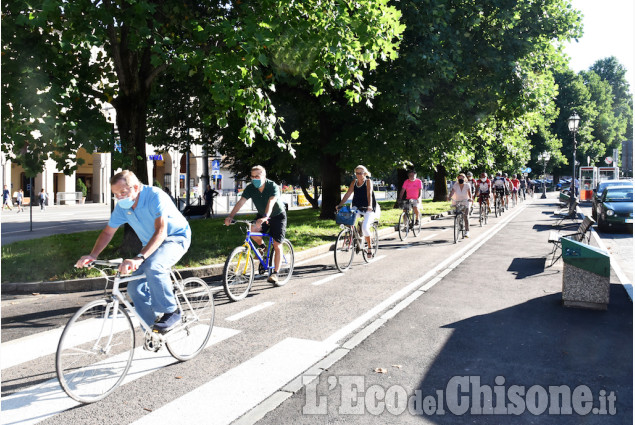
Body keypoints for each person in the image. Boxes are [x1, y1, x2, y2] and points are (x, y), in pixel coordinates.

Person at [75, 170, 191, 333]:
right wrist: (93, 255)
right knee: (134, 288)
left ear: (136, 187)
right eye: (116, 194)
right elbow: (108, 232)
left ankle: (171, 312)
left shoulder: (155, 196)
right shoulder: (123, 207)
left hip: (175, 238)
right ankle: (152, 330)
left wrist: (139, 257)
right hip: (151, 245)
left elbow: (161, 231)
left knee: (155, 266)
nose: (120, 197)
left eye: (123, 192)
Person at [224, 165, 287, 284]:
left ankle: (275, 273)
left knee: (277, 244)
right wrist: (230, 216)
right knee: (253, 232)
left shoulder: (272, 186)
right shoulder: (250, 188)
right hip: (263, 215)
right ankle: (263, 248)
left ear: (264, 176)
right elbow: (241, 202)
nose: (254, 179)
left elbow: (271, 201)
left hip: (277, 215)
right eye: (252, 177)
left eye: (257, 176)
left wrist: (265, 217)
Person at [336, 165, 380, 258]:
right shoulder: (354, 182)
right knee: (348, 220)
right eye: (357, 173)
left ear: (365, 173)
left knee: (365, 227)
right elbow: (348, 194)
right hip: (357, 206)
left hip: (368, 207)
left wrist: (370, 206)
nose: (359, 175)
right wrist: (340, 204)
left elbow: (369, 194)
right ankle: (354, 236)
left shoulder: (368, 182)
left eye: (361, 173)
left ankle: (369, 247)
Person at [448, 173, 473, 237]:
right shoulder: (455, 185)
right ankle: (460, 224)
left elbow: (469, 193)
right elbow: (452, 191)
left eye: (462, 178)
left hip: (466, 201)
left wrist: (470, 198)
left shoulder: (467, 185)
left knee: (465, 216)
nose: (460, 180)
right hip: (458, 201)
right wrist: (449, 196)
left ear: (464, 179)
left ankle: (467, 231)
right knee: (457, 214)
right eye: (459, 178)